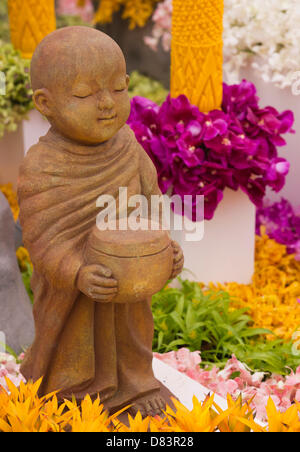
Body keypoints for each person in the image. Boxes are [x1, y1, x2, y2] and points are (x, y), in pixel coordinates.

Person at [18, 26, 184, 417]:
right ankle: (70, 397)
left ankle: (138, 386)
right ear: (45, 102)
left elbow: (152, 203)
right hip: (73, 287)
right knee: (76, 345)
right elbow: (42, 239)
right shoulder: (42, 167)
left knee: (132, 331)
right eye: (83, 94)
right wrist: (78, 272)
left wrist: (163, 249)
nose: (107, 103)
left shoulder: (128, 145)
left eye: (118, 88)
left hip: (129, 273)